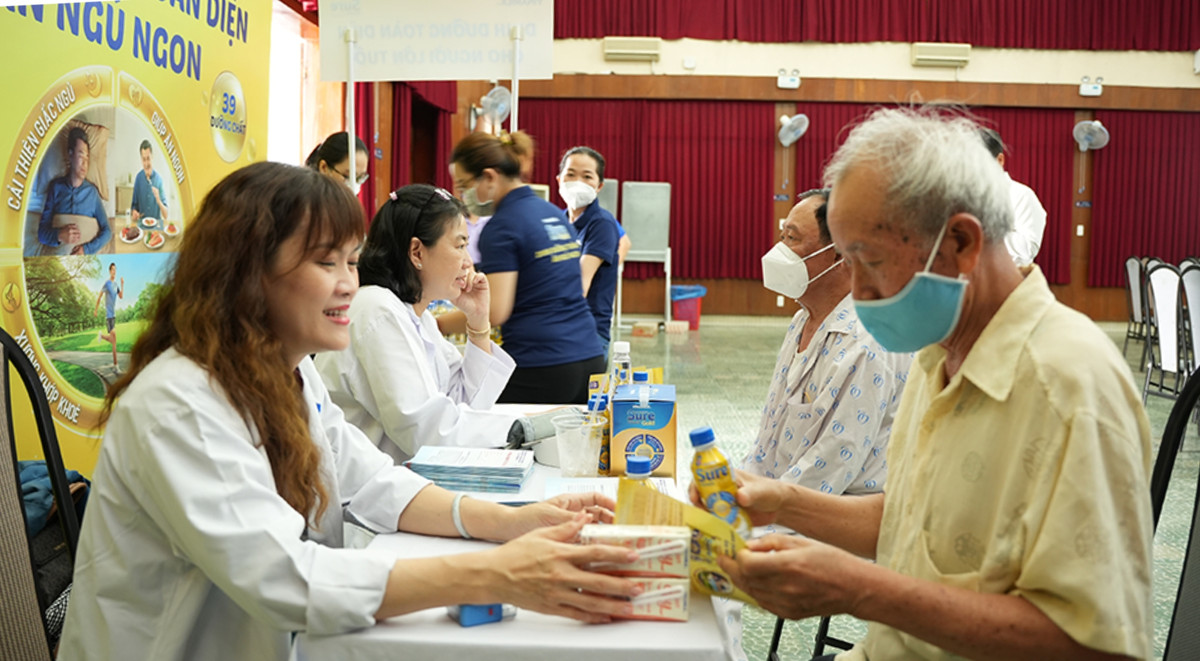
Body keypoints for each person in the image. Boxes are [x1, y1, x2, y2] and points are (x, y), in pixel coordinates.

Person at [59, 162, 644, 661]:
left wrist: (516, 521)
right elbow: (284, 577)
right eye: (326, 263)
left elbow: (372, 480)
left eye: (352, 261)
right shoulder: (179, 403)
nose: (347, 285)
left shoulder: (289, 371)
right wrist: (497, 575)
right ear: (248, 273)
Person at [715, 108, 1153, 661]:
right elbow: (910, 519)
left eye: (869, 262)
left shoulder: (1068, 386)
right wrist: (781, 502)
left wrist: (860, 590)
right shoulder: (937, 356)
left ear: (961, 242)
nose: (856, 291)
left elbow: (1095, 646)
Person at [315, 184, 517, 463]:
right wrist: (518, 428)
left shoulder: (416, 316)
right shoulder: (377, 309)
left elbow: (465, 404)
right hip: (360, 483)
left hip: (396, 475)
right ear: (417, 252)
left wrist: (478, 320)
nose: (468, 262)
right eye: (460, 246)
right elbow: (424, 431)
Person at [746, 189, 910, 496]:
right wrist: (739, 488)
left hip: (834, 511)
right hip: (781, 499)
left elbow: (830, 465)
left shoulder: (866, 342)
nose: (780, 251)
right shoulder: (802, 321)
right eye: (782, 236)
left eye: (792, 239)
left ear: (840, 254)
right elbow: (770, 436)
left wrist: (761, 505)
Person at [450, 131, 604, 404]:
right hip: (590, 359)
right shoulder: (552, 213)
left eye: (464, 185)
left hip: (542, 365)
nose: (463, 195)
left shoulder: (502, 226)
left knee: (469, 408)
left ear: (489, 177)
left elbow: (494, 311)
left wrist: (437, 324)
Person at [558, 146, 623, 355]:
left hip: (587, 334)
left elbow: (579, 286)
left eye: (587, 176)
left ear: (599, 186)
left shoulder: (601, 224)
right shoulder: (558, 222)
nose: (577, 182)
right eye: (570, 174)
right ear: (559, 180)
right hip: (559, 329)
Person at [37, 126, 112, 255]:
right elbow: (42, 234)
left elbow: (107, 232)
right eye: (81, 155)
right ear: (70, 155)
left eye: (87, 158)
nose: (85, 163)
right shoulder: (56, 188)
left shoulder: (92, 193)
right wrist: (59, 235)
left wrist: (86, 249)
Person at [979, 127, 1047, 267]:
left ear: (1000, 160)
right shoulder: (963, 194)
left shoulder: (1021, 195)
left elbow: (1026, 252)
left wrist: (978, 231)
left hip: (1005, 277)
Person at [93, 262, 124, 371]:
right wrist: (96, 310)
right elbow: (99, 296)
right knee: (114, 339)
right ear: (110, 271)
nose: (114, 272)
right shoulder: (107, 284)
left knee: (113, 340)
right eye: (112, 270)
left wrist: (122, 284)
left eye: (115, 270)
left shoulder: (116, 285)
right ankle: (116, 366)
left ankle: (101, 336)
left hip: (113, 315)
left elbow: (121, 296)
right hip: (108, 315)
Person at [130, 139, 168, 223]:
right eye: (144, 159)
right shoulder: (138, 178)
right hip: (142, 225)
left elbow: (166, 215)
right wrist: (134, 213)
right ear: (141, 159)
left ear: (152, 157)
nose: (146, 163)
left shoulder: (159, 180)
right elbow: (134, 207)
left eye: (148, 158)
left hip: (156, 226)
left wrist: (158, 200)